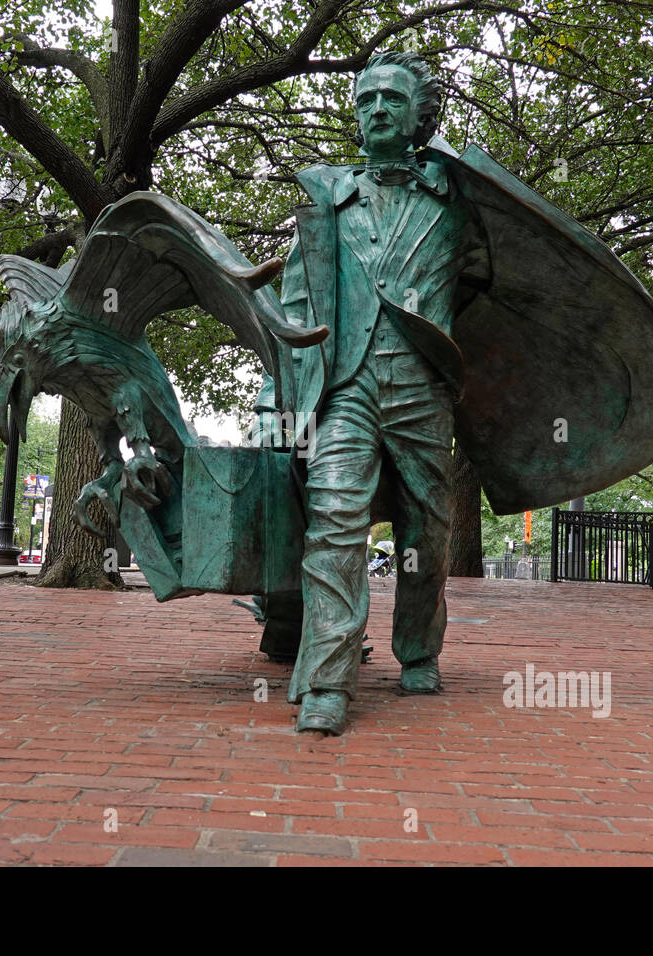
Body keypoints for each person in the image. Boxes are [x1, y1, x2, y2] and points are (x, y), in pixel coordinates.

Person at [277, 52, 489, 734]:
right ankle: (327, 680)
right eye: (366, 98)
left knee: (427, 527)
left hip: (423, 384)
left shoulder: (458, 200)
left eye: (392, 99)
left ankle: (419, 651)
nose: (375, 109)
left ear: (422, 115)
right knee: (333, 520)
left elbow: (509, 275)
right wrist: (289, 383)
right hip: (348, 385)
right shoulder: (325, 199)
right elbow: (294, 300)